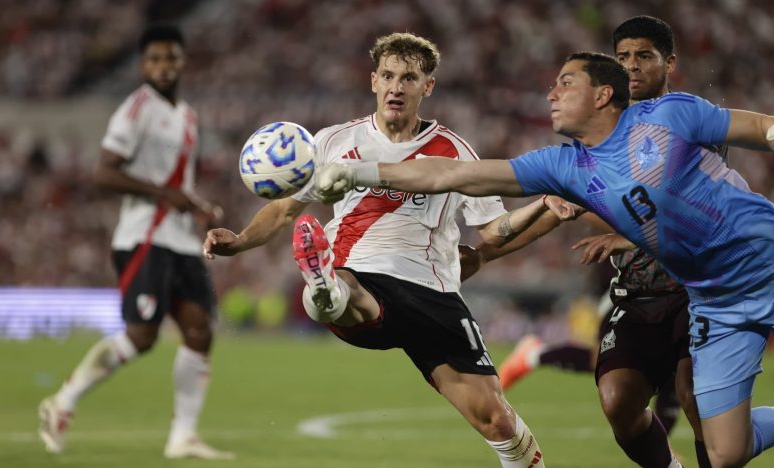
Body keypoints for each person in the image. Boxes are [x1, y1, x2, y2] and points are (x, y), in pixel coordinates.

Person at [316, 51, 774, 467]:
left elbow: (746, 126)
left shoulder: (665, 115)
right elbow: (449, 176)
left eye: (565, 84)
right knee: (726, 453)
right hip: (714, 299)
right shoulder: (564, 165)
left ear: (602, 95)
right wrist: (361, 174)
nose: (551, 94)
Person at [204, 33, 547, 467]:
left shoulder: (455, 151)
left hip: (431, 292)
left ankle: (325, 293)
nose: (396, 87)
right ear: (372, 81)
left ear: (428, 87)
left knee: (495, 419)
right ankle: (324, 286)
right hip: (362, 273)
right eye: (387, 75)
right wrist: (239, 241)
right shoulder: (332, 142)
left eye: (409, 78)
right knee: (347, 292)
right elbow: (283, 211)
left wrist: (544, 207)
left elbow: (495, 230)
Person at [481, 16, 710, 468]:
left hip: (696, 290)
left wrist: (625, 236)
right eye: (622, 57)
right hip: (636, 294)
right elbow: (558, 207)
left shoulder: (690, 122)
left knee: (694, 398)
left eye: (643, 56)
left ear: (670, 63)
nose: (631, 67)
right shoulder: (601, 133)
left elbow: (695, 211)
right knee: (618, 402)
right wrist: (486, 254)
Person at [38, 24, 233, 460]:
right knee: (142, 336)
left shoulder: (186, 114)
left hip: (180, 241)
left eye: (171, 58)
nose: (164, 67)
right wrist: (169, 197)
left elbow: (176, 181)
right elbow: (104, 172)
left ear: (183, 62)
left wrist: (197, 205)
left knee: (199, 332)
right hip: (145, 236)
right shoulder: (136, 108)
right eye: (155, 59)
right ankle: (61, 402)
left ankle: (182, 437)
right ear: (143, 65)